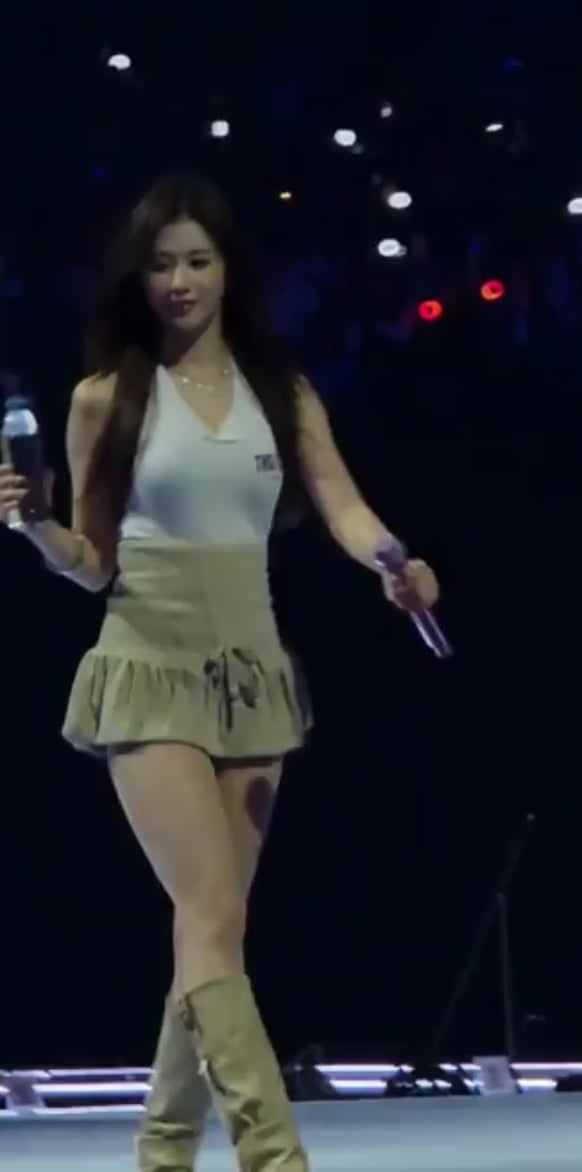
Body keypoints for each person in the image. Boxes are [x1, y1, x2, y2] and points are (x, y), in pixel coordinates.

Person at [0, 173, 440, 1172]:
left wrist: (393, 561)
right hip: (147, 661)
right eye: (161, 265)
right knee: (208, 915)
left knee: (214, 931)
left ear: (228, 269)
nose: (180, 281)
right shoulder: (104, 398)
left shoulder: (279, 394)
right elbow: (93, 561)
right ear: (137, 278)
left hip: (251, 671)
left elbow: (342, 505)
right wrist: (32, 528)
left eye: (196, 260)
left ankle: (163, 1149)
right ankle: (272, 1153)